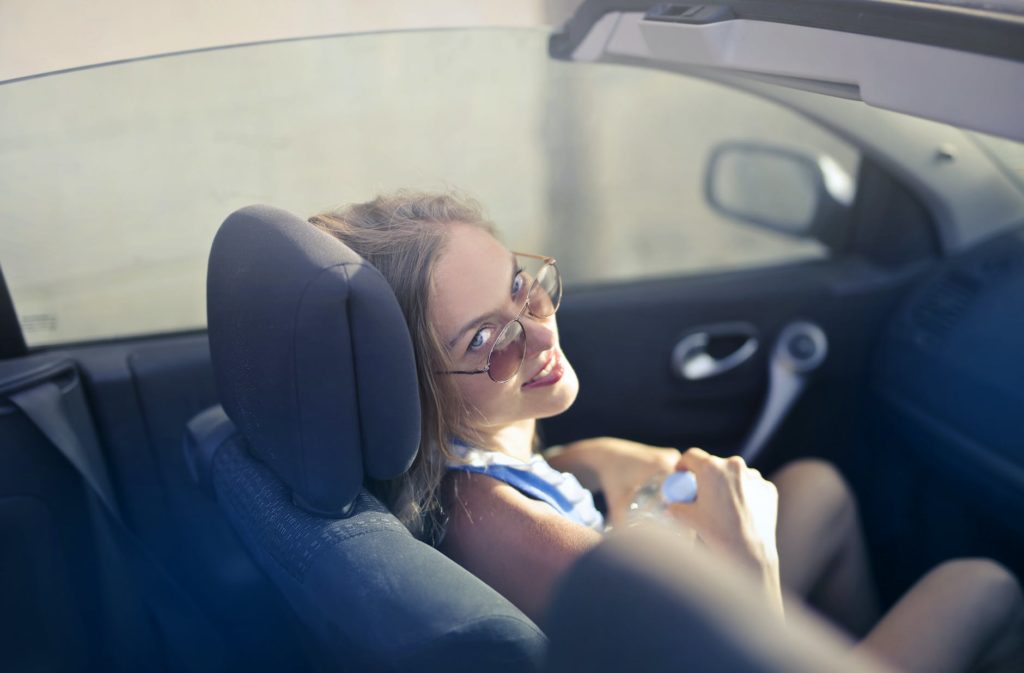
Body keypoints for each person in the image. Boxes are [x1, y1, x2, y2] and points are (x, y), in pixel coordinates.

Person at [309, 190, 1022, 673]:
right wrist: (746, 560)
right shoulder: (496, 524)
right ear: (412, 387)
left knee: (818, 489)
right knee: (980, 585)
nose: (539, 330)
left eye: (524, 286)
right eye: (489, 337)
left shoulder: (467, 456)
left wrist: (601, 457)